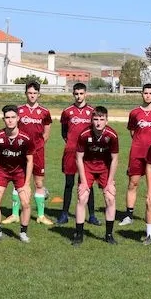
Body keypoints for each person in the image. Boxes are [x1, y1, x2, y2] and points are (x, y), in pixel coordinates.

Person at [3, 81, 54, 225]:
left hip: (38, 153)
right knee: (17, 182)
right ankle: (15, 214)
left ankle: (41, 216)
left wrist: (37, 147)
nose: (32, 95)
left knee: (39, 183)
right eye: (30, 93)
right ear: (25, 93)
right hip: (20, 153)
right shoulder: (19, 111)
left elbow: (46, 134)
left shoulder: (44, 112)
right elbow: (12, 130)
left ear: (39, 94)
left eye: (35, 93)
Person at [121, 83, 151, 227]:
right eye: (145, 93)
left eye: (150, 93)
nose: (148, 96)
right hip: (137, 153)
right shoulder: (134, 113)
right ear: (142, 94)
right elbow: (132, 132)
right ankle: (129, 216)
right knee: (133, 183)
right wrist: (140, 143)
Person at [72, 106, 120, 245]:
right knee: (82, 197)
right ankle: (79, 235)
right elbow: (79, 158)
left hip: (104, 168)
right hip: (87, 167)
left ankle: (109, 235)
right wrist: (83, 182)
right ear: (91, 120)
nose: (98, 122)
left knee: (110, 198)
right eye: (96, 119)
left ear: (106, 120)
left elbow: (115, 159)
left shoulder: (112, 135)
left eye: (101, 119)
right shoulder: (84, 134)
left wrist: (110, 182)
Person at [0, 105, 34, 242]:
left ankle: (23, 232)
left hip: (19, 172)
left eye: (13, 117)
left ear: (18, 118)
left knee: (26, 203)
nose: (10, 120)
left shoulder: (25, 138)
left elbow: (30, 160)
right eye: (7, 117)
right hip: (2, 172)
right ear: (3, 119)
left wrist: (27, 184)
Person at [57, 82, 98, 226]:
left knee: (88, 184)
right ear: (73, 94)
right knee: (69, 183)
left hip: (87, 154)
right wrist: (72, 144)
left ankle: (92, 215)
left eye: (81, 93)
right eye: (76, 94)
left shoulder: (92, 111)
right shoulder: (67, 111)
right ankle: (64, 214)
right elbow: (64, 132)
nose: (79, 96)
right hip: (71, 152)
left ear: (85, 94)